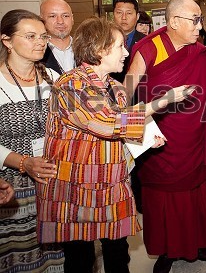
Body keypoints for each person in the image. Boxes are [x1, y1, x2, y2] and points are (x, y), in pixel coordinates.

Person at [35, 17, 193, 273]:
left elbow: (123, 126)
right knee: (81, 259)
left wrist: (143, 139)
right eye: (121, 46)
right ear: (99, 49)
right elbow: (108, 123)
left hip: (111, 183)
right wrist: (162, 101)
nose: (127, 52)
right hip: (76, 188)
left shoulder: (115, 87)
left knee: (118, 255)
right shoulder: (71, 85)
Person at [125, 0, 206, 273]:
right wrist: (122, 122)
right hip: (162, 139)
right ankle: (167, 250)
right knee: (165, 198)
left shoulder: (198, 51)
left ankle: (199, 241)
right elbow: (127, 90)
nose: (199, 27)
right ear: (174, 21)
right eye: (195, 19)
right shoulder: (148, 48)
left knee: (200, 191)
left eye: (199, 19)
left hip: (197, 136)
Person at [0, 9, 64, 272]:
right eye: (30, 36)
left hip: (53, 179)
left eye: (43, 36)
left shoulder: (54, 77)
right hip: (12, 186)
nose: (40, 42)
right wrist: (24, 163)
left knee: (57, 255)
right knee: (20, 254)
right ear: (6, 40)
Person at [112, 0, 146, 82]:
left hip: (140, 92)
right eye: (119, 12)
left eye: (129, 13)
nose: (124, 17)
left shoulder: (146, 41)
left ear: (137, 16)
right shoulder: (103, 40)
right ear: (113, 15)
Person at [40, 0, 75, 74]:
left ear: (72, 19)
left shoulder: (88, 49)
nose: (60, 21)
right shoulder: (36, 53)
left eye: (65, 16)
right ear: (41, 20)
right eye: (53, 16)